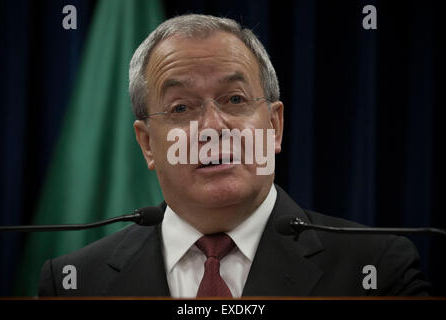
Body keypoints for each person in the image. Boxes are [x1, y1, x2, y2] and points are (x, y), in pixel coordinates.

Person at [38, 14, 431, 297]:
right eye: (180, 108)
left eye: (235, 99)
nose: (212, 126)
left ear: (274, 126)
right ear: (147, 145)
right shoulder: (76, 282)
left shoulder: (377, 269)